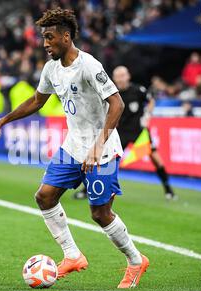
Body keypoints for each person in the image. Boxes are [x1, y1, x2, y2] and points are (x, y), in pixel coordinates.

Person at [0, 8, 149, 289]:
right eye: (43, 38)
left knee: (100, 214)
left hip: (101, 149)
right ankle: (72, 255)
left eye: (49, 37)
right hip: (73, 145)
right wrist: (1, 121)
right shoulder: (51, 68)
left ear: (66, 37)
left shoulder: (89, 66)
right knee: (44, 197)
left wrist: (97, 146)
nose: (45, 44)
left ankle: (135, 260)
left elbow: (116, 103)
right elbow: (36, 101)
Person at [74, 66, 177, 200]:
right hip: (120, 132)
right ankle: (87, 189)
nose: (121, 79)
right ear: (114, 78)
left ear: (128, 76)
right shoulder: (110, 93)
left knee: (156, 159)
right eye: (118, 76)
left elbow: (151, 101)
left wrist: (147, 115)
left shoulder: (138, 90)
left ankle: (168, 189)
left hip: (139, 133)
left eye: (123, 75)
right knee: (104, 160)